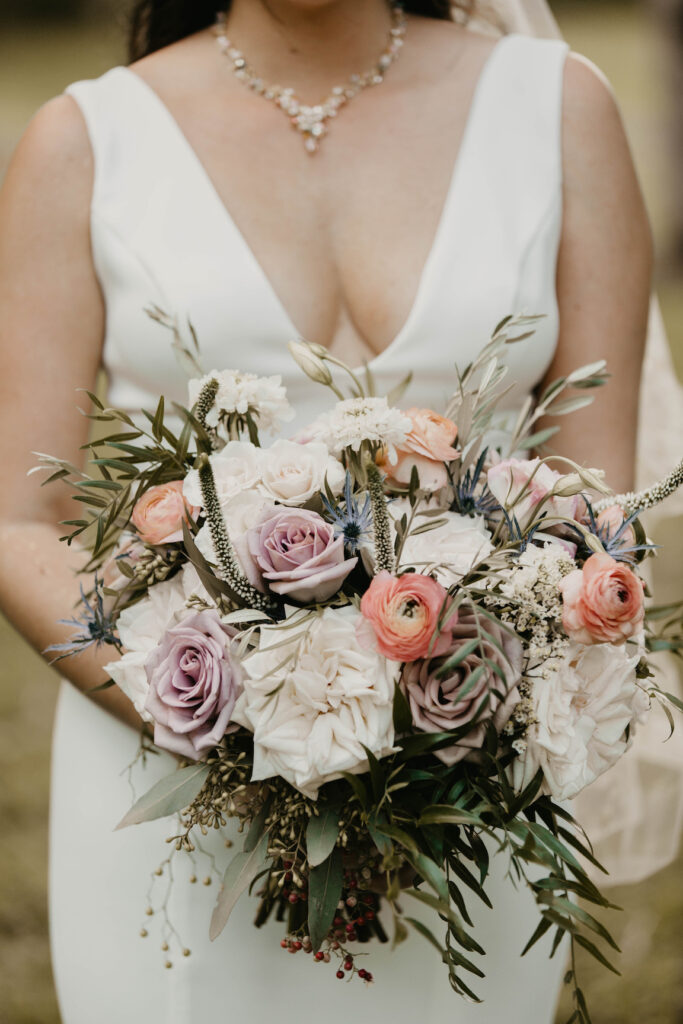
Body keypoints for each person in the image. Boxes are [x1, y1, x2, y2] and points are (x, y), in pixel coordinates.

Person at [0, 1, 653, 1022]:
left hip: (458, 784)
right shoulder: (83, 142)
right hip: (174, 782)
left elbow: (595, 500)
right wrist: (229, 727)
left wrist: (447, 715)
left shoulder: (558, 109)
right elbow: (18, 522)